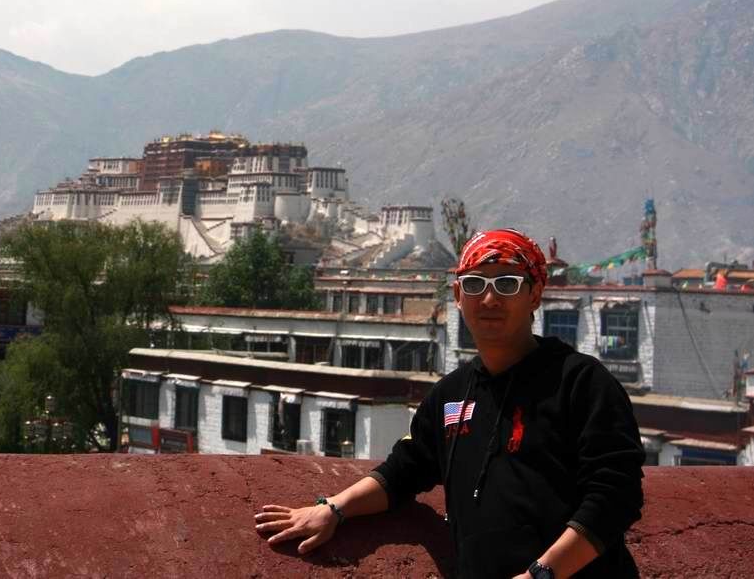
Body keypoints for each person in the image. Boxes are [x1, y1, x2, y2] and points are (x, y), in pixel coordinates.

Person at [255, 229, 645, 578]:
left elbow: (615, 496)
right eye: (474, 284)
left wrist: (542, 575)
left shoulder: (581, 382)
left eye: (507, 283)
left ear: (535, 294)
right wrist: (333, 509)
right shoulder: (450, 396)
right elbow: (403, 472)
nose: (489, 297)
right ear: (458, 297)